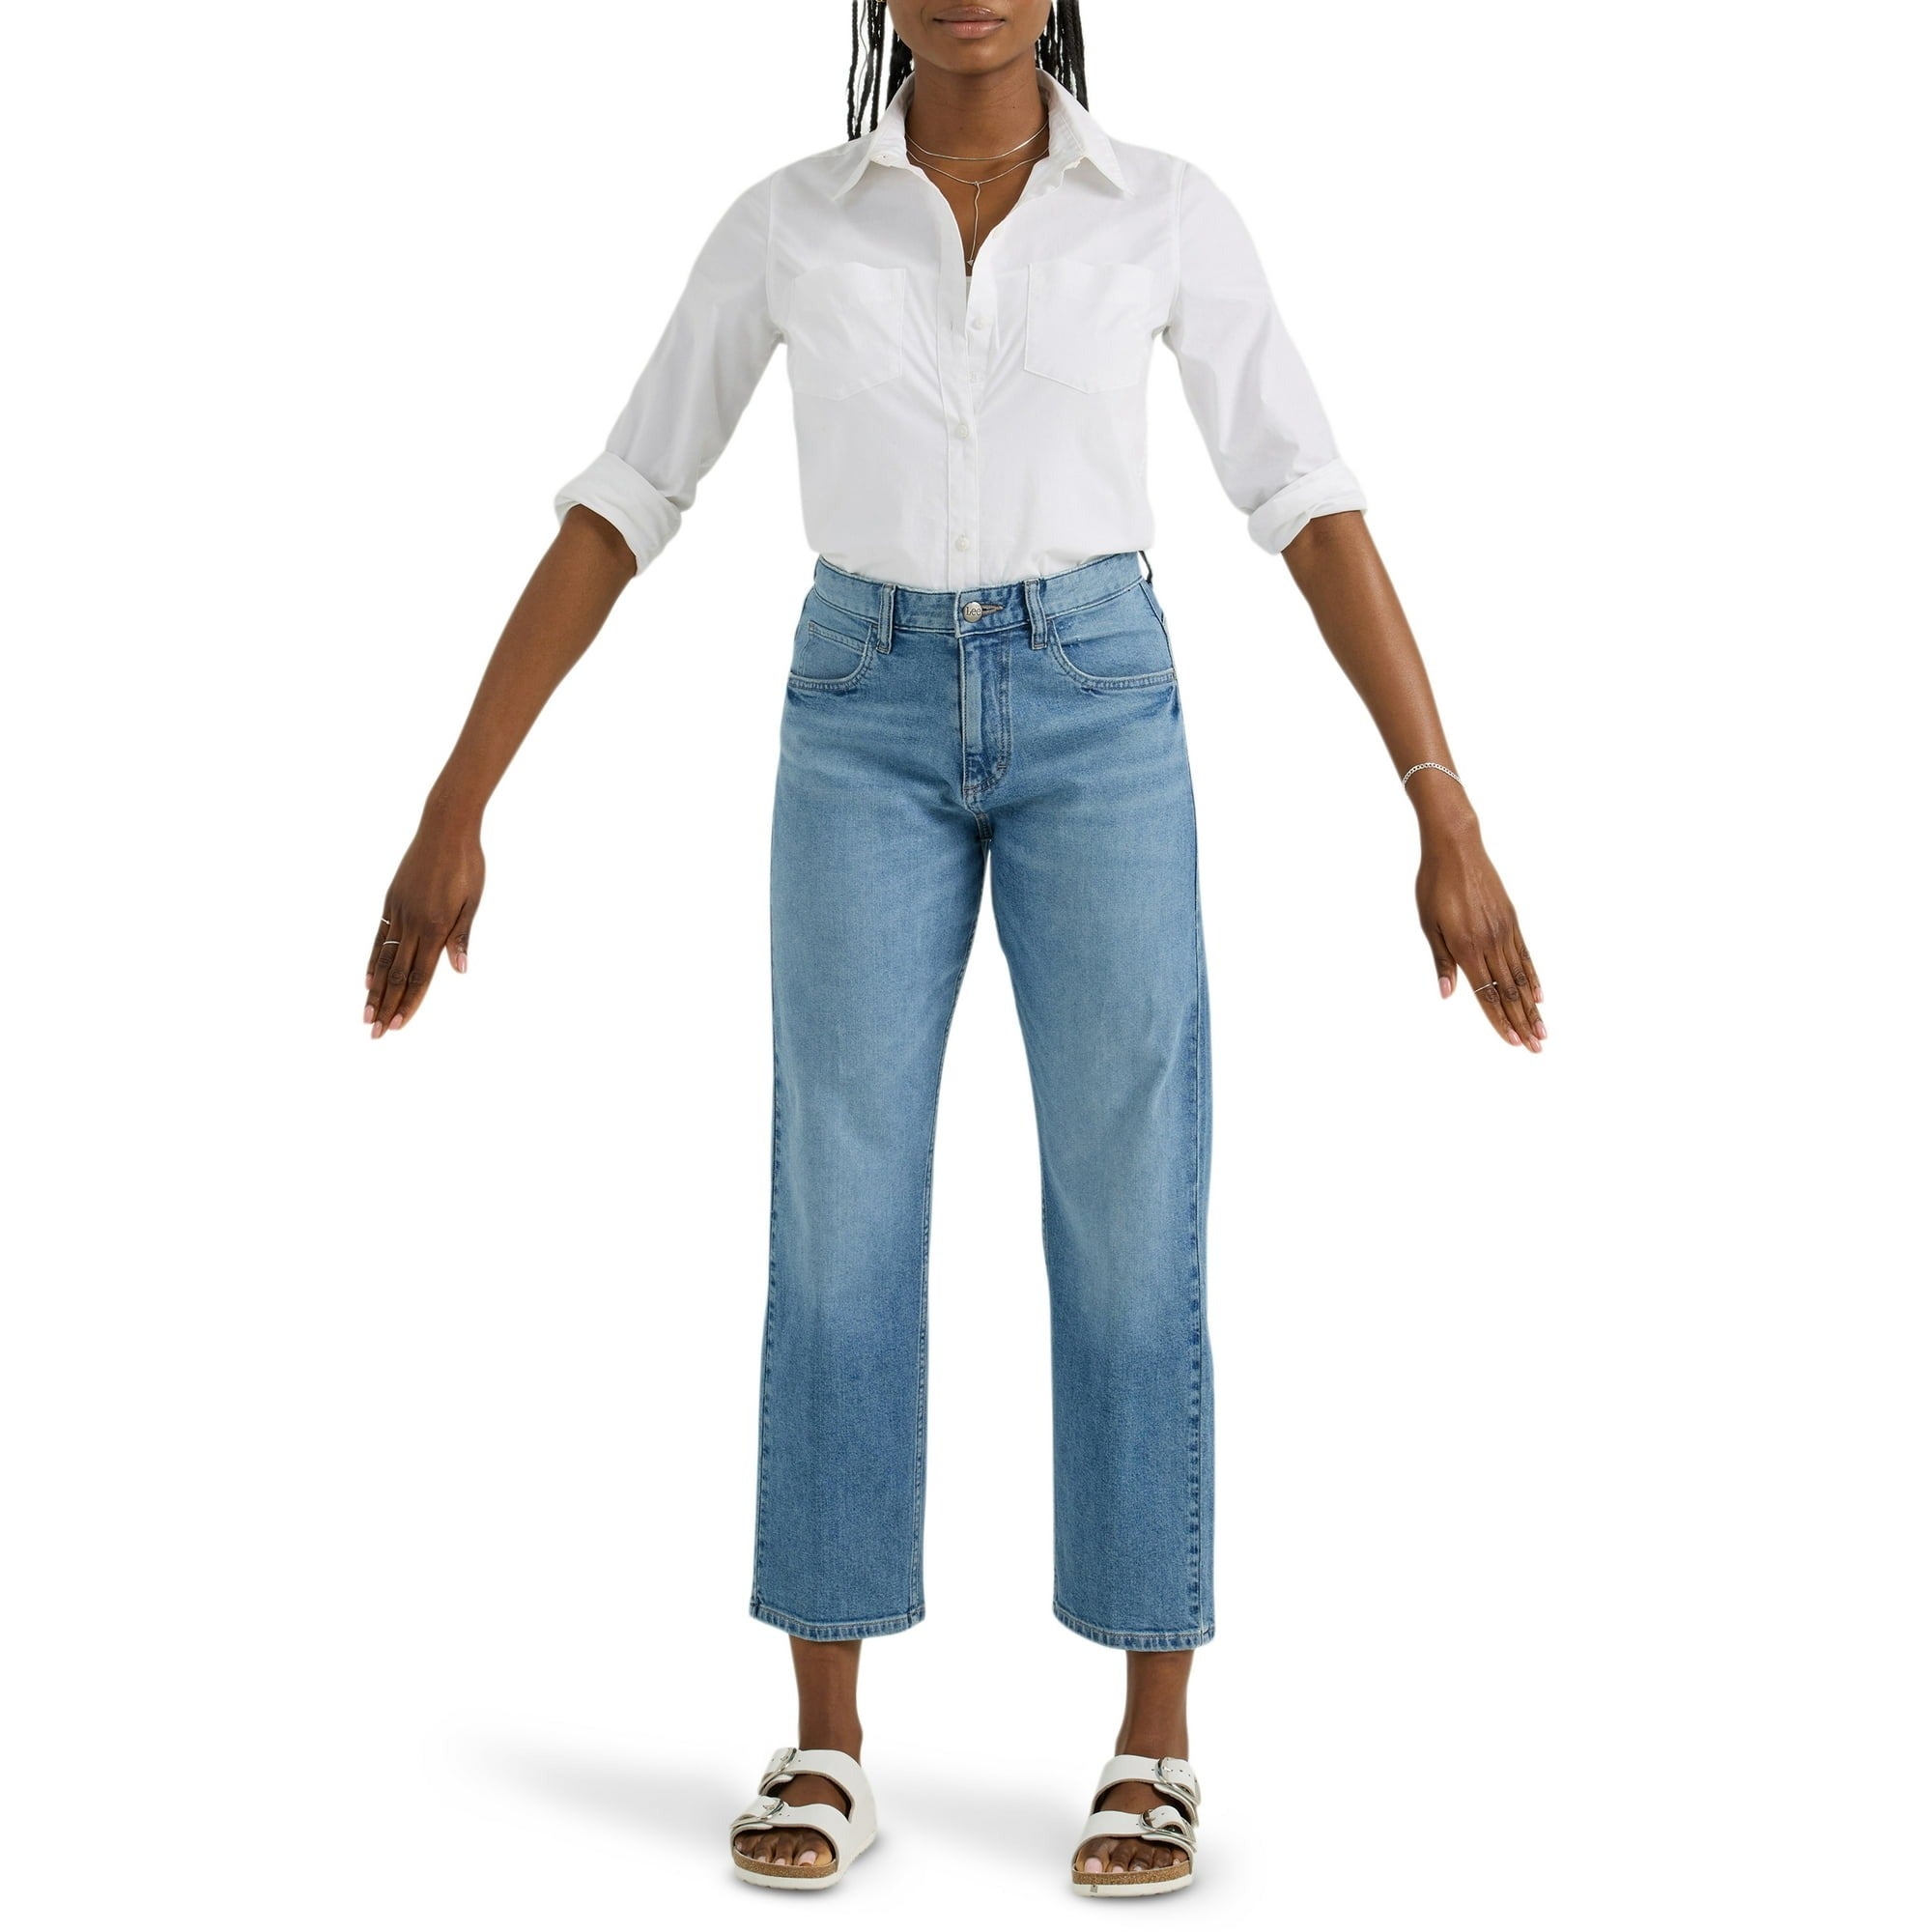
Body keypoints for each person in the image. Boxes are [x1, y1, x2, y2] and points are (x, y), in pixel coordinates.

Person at [362, 0, 1546, 1900]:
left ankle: (1152, 1741)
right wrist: (458, 795)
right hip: (862, 707)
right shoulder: (789, 220)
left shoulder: (1161, 207)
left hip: (1102, 706)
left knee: (1132, 1206)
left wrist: (1443, 806)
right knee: (837, 1207)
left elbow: (1307, 501)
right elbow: (626, 499)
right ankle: (827, 1738)